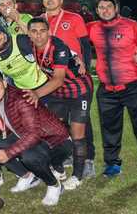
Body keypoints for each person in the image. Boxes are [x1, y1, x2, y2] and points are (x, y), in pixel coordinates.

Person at [87, 0, 137, 183]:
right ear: (97, 11)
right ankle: (112, 164)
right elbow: (74, 37)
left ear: (116, 8)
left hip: (134, 86)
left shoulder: (131, 26)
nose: (105, 10)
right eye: (101, 8)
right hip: (107, 90)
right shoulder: (93, 28)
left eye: (108, 7)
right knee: (109, 130)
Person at [0, 70, 72, 207]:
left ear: (5, 83)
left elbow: (33, 134)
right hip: (29, 137)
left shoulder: (21, 99)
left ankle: (54, 184)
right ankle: (27, 176)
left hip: (56, 141)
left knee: (28, 156)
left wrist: (9, 153)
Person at [26, 17, 94, 189]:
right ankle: (58, 167)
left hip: (80, 91)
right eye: (34, 31)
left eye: (42, 31)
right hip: (59, 93)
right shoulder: (29, 44)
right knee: (53, 132)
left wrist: (36, 94)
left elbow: (57, 80)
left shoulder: (59, 47)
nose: (39, 35)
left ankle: (77, 176)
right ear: (29, 34)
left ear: (48, 32)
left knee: (77, 134)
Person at [41, 0, 95, 176]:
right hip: (54, 80)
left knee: (82, 121)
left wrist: (85, 68)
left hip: (75, 79)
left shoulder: (74, 18)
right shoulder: (40, 22)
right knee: (58, 123)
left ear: (61, 0)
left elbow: (85, 46)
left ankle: (89, 160)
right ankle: (68, 154)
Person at [0, 19, 48, 91]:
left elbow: (43, 45)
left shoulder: (20, 40)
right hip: (21, 91)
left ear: (5, 33)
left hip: (43, 85)